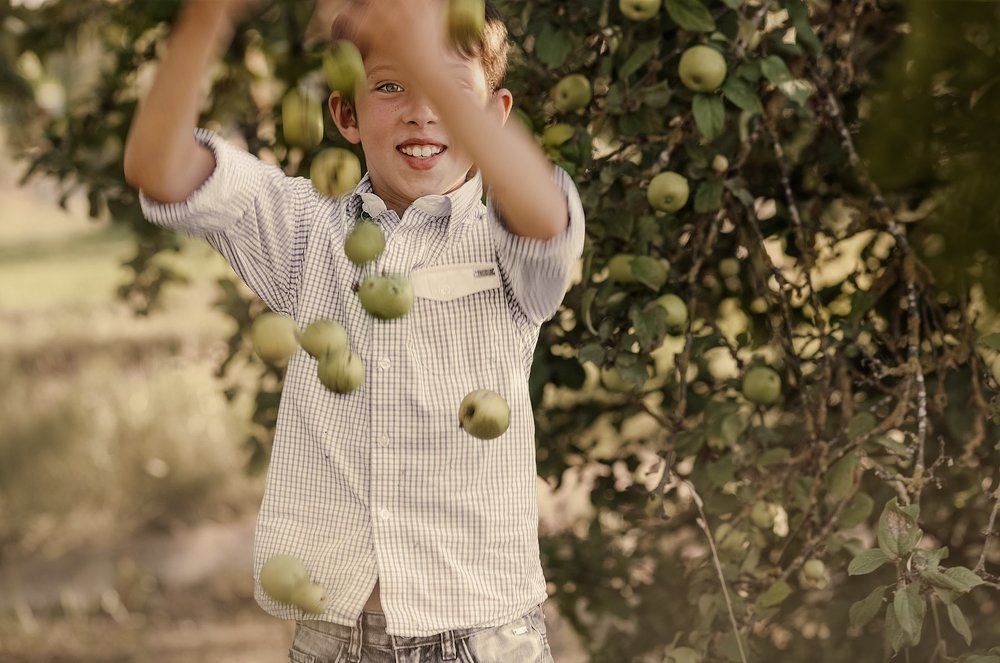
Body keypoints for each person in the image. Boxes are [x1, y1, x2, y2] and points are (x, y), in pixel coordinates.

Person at [122, 0, 585, 660]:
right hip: (337, 636)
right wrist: (207, 15)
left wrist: (416, 55)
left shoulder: (503, 240)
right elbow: (159, 169)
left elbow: (546, 216)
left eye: (449, 89)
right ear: (346, 115)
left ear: (493, 116)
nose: (422, 111)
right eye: (391, 86)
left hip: (485, 635)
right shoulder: (309, 231)